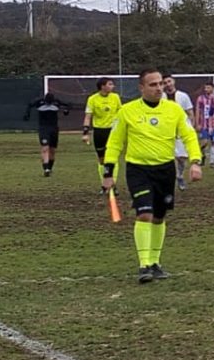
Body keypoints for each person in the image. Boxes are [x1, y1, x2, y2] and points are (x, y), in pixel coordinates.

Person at [102, 68, 202, 283]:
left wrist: (195, 162)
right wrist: (108, 172)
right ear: (141, 87)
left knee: (159, 217)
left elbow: (189, 135)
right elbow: (114, 143)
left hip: (165, 170)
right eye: (153, 84)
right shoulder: (127, 111)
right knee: (144, 214)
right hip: (138, 170)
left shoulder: (174, 110)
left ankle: (155, 263)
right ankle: (144, 264)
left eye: (160, 84)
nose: (159, 88)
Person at [82, 78, 121, 189]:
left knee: (112, 158)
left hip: (113, 131)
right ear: (102, 86)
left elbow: (121, 112)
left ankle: (113, 184)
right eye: (110, 84)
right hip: (99, 131)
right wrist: (85, 133)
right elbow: (88, 116)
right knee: (102, 159)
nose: (113, 86)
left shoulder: (115, 97)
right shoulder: (92, 99)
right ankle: (104, 184)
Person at [24, 90, 73, 176]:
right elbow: (29, 105)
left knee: (52, 150)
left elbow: (69, 105)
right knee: (45, 148)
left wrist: (66, 111)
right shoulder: (39, 102)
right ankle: (46, 169)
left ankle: (50, 168)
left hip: (54, 128)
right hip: (43, 128)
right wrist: (27, 114)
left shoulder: (56, 102)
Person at [164, 75, 195, 187]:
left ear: (173, 81)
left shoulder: (183, 96)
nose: (168, 84)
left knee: (182, 158)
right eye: (165, 82)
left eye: (169, 81)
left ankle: (180, 176)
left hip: (181, 131)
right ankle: (169, 179)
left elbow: (190, 113)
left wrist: (190, 127)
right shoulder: (161, 97)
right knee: (168, 158)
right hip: (166, 131)